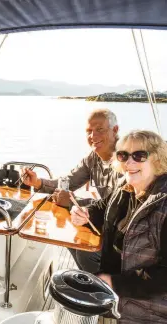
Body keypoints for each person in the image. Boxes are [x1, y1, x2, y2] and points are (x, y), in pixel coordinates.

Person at [71, 130, 167, 323]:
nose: (129, 163)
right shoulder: (126, 185)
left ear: (157, 159)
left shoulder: (163, 206)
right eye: (123, 155)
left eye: (139, 155)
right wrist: (85, 213)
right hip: (116, 299)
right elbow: (103, 207)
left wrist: (114, 283)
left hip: (147, 312)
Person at [23, 108, 123, 273]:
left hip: (123, 232)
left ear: (115, 130)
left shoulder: (127, 160)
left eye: (100, 130)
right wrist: (37, 182)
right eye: (89, 131)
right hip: (104, 222)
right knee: (70, 239)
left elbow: (115, 206)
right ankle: (95, 282)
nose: (93, 137)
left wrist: (72, 202)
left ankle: (107, 291)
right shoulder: (92, 159)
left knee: (85, 253)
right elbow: (67, 182)